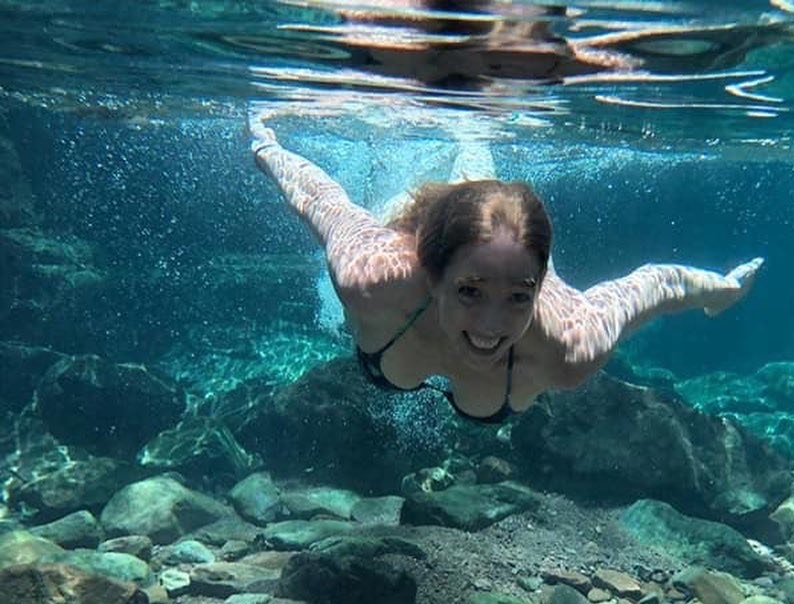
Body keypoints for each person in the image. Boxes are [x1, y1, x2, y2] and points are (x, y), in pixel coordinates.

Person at [250, 111, 763, 424]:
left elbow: (652, 286)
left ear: (542, 284)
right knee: (451, 197)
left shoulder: (568, 347)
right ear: (433, 275)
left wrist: (720, 291)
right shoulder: (372, 278)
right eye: (470, 291)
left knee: (481, 184)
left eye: (519, 295)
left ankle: (475, 151)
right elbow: (320, 199)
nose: (492, 325)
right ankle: (471, 151)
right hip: (418, 249)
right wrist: (265, 146)